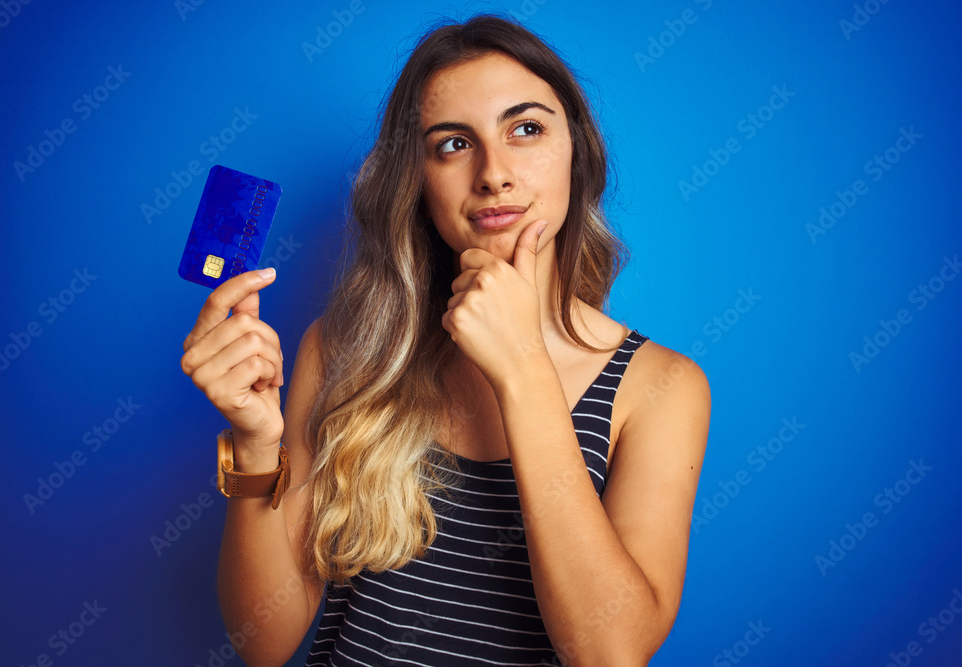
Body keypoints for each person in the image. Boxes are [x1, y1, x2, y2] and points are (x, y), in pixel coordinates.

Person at [181, 12, 710, 667]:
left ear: (577, 151)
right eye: (453, 144)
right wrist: (257, 447)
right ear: (417, 179)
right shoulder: (346, 351)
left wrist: (523, 370)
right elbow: (263, 642)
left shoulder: (659, 388)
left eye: (525, 129)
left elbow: (609, 652)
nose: (494, 173)